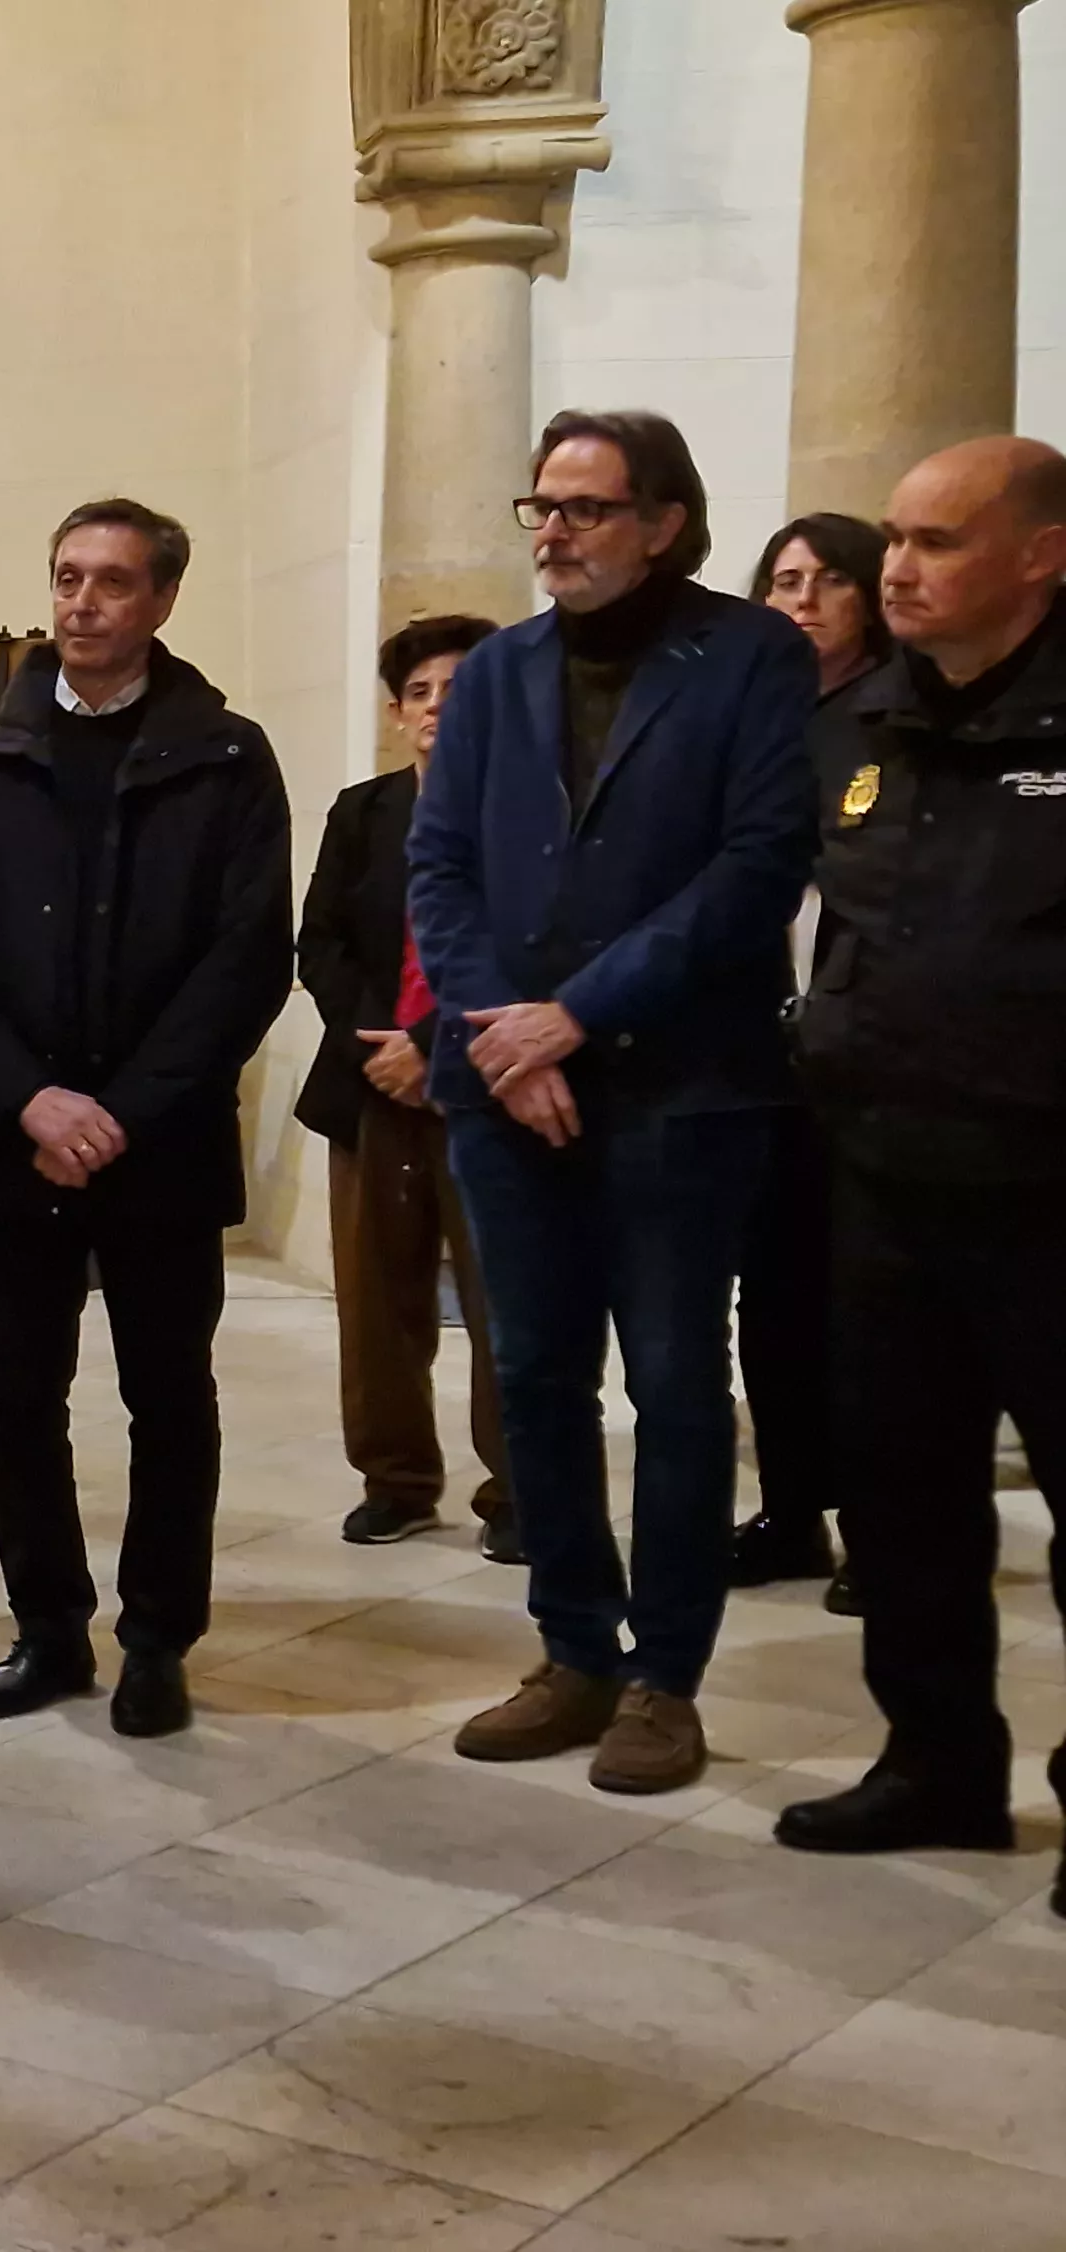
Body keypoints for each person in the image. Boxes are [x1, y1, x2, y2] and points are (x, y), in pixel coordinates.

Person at [413, 411, 818, 1797]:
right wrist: (508, 1043)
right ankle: (573, 1648)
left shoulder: (751, 656)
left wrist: (577, 1016)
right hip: (506, 1093)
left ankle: (666, 1679)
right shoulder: (497, 674)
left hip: (677, 1087)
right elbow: (440, 870)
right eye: (542, 506)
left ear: (663, 521)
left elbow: (758, 866)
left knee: (675, 1386)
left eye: (587, 508)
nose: (555, 532)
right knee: (532, 1376)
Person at [0, 498, 291, 1741]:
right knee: (16, 1398)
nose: (81, 603)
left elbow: (247, 958)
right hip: (17, 1139)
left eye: (112, 582)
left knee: (168, 1397)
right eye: (66, 577)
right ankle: (49, 1629)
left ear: (161, 600)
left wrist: (122, 1108)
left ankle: (159, 1636)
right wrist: (28, 1097)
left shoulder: (226, 756)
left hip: (157, 1144)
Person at [771, 435, 1066, 1894]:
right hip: (883, 1179)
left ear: (1041, 555)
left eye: (940, 542)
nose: (899, 568)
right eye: (895, 537)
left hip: (1051, 1190)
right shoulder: (861, 722)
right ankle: (938, 1764)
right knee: (902, 1500)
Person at [294, 616, 514, 1556]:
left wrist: (436, 1048)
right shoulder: (364, 812)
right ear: (396, 713)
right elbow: (323, 944)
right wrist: (380, 1050)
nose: (436, 708)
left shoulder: (531, 814)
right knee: (378, 1301)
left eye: (458, 690)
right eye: (420, 693)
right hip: (370, 1085)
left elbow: (527, 949)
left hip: (490, 1087)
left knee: (505, 1298)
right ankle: (396, 1479)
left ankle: (519, 1489)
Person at [723, 515, 893, 1607]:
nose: (802, 597)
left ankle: (883, 1525)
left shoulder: (897, 718)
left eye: (829, 579)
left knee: (872, 1306)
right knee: (772, 1299)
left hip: (873, 1059)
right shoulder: (757, 721)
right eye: (782, 579)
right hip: (758, 1052)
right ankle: (792, 1510)